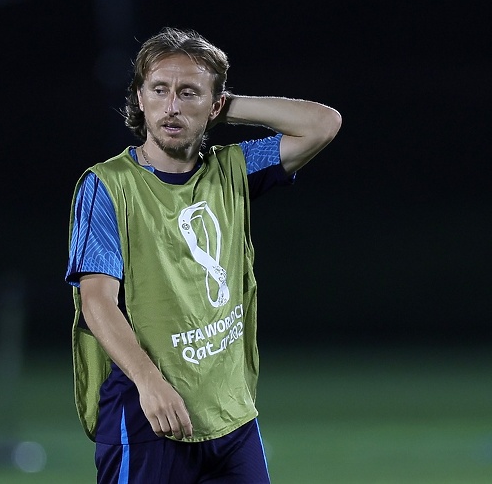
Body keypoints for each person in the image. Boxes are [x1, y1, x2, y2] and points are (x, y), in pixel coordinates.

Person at [66, 27, 341, 483]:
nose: (171, 106)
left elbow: (323, 124)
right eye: (159, 90)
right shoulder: (108, 185)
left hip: (231, 417)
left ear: (215, 106)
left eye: (188, 93)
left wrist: (225, 105)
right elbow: (97, 302)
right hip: (149, 416)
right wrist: (150, 384)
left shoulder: (232, 168)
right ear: (139, 98)